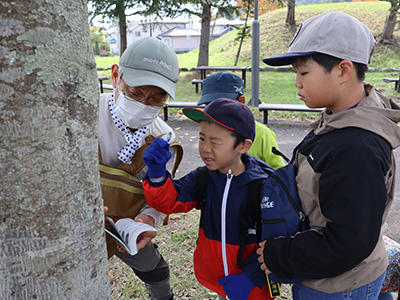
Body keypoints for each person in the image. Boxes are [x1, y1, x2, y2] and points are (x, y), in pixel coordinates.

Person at [256, 12, 400, 299]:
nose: (296, 82)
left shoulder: (356, 147)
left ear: (344, 71)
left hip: (337, 285)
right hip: (342, 272)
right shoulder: (338, 119)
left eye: (303, 72)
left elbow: (347, 241)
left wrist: (279, 254)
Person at [142, 99, 275, 300]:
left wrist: (250, 278)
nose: (205, 148)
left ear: (243, 145)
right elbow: (168, 202)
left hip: (253, 286)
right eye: (202, 139)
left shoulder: (262, 187)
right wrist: (157, 174)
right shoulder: (203, 178)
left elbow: (277, 241)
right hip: (220, 281)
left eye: (215, 141)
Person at [99, 37, 182, 300]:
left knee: (156, 271)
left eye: (157, 99)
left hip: (125, 227)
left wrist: (146, 220)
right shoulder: (84, 116)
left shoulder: (163, 139)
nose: (144, 104)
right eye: (135, 93)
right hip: (76, 224)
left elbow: (159, 198)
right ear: (115, 76)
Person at [197, 72, 285, 169]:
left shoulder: (263, 134)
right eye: (209, 106)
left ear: (241, 101)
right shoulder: (207, 132)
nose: (216, 112)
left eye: (225, 105)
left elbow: (278, 171)